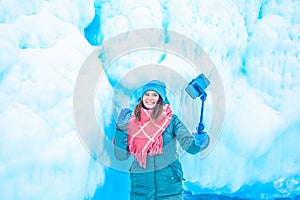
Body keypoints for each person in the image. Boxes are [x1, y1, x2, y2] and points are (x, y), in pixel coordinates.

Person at [113, 80, 209, 200]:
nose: (150, 98)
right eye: (147, 94)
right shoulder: (132, 121)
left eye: (155, 95)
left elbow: (191, 147)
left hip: (168, 188)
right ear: (142, 97)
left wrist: (201, 140)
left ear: (160, 98)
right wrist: (121, 128)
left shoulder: (172, 121)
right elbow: (121, 155)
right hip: (140, 190)